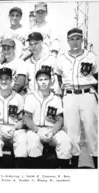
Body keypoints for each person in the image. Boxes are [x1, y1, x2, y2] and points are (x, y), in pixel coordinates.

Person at [55, 28, 98, 168]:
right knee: (72, 132)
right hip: (70, 95)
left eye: (78, 38)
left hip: (88, 94)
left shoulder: (91, 56)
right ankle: (74, 167)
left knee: (91, 130)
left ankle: (96, 166)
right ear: (67, 41)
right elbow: (59, 78)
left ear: (82, 40)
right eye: (72, 39)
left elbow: (97, 76)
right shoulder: (61, 58)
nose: (75, 41)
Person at [24, 69, 72, 168]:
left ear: (50, 81)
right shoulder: (30, 97)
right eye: (40, 80)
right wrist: (36, 130)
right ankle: (36, 171)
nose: (43, 82)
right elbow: (27, 117)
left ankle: (64, 171)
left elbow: (59, 120)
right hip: (35, 129)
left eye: (46, 79)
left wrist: (52, 132)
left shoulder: (56, 98)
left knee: (65, 141)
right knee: (33, 143)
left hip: (52, 129)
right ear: (36, 82)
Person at [0, 67, 27, 168]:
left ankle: (19, 169)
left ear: (12, 80)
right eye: (1, 78)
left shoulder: (18, 98)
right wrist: (1, 128)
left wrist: (13, 128)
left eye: (7, 78)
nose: (4, 81)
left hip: (14, 128)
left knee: (22, 138)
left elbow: (22, 121)